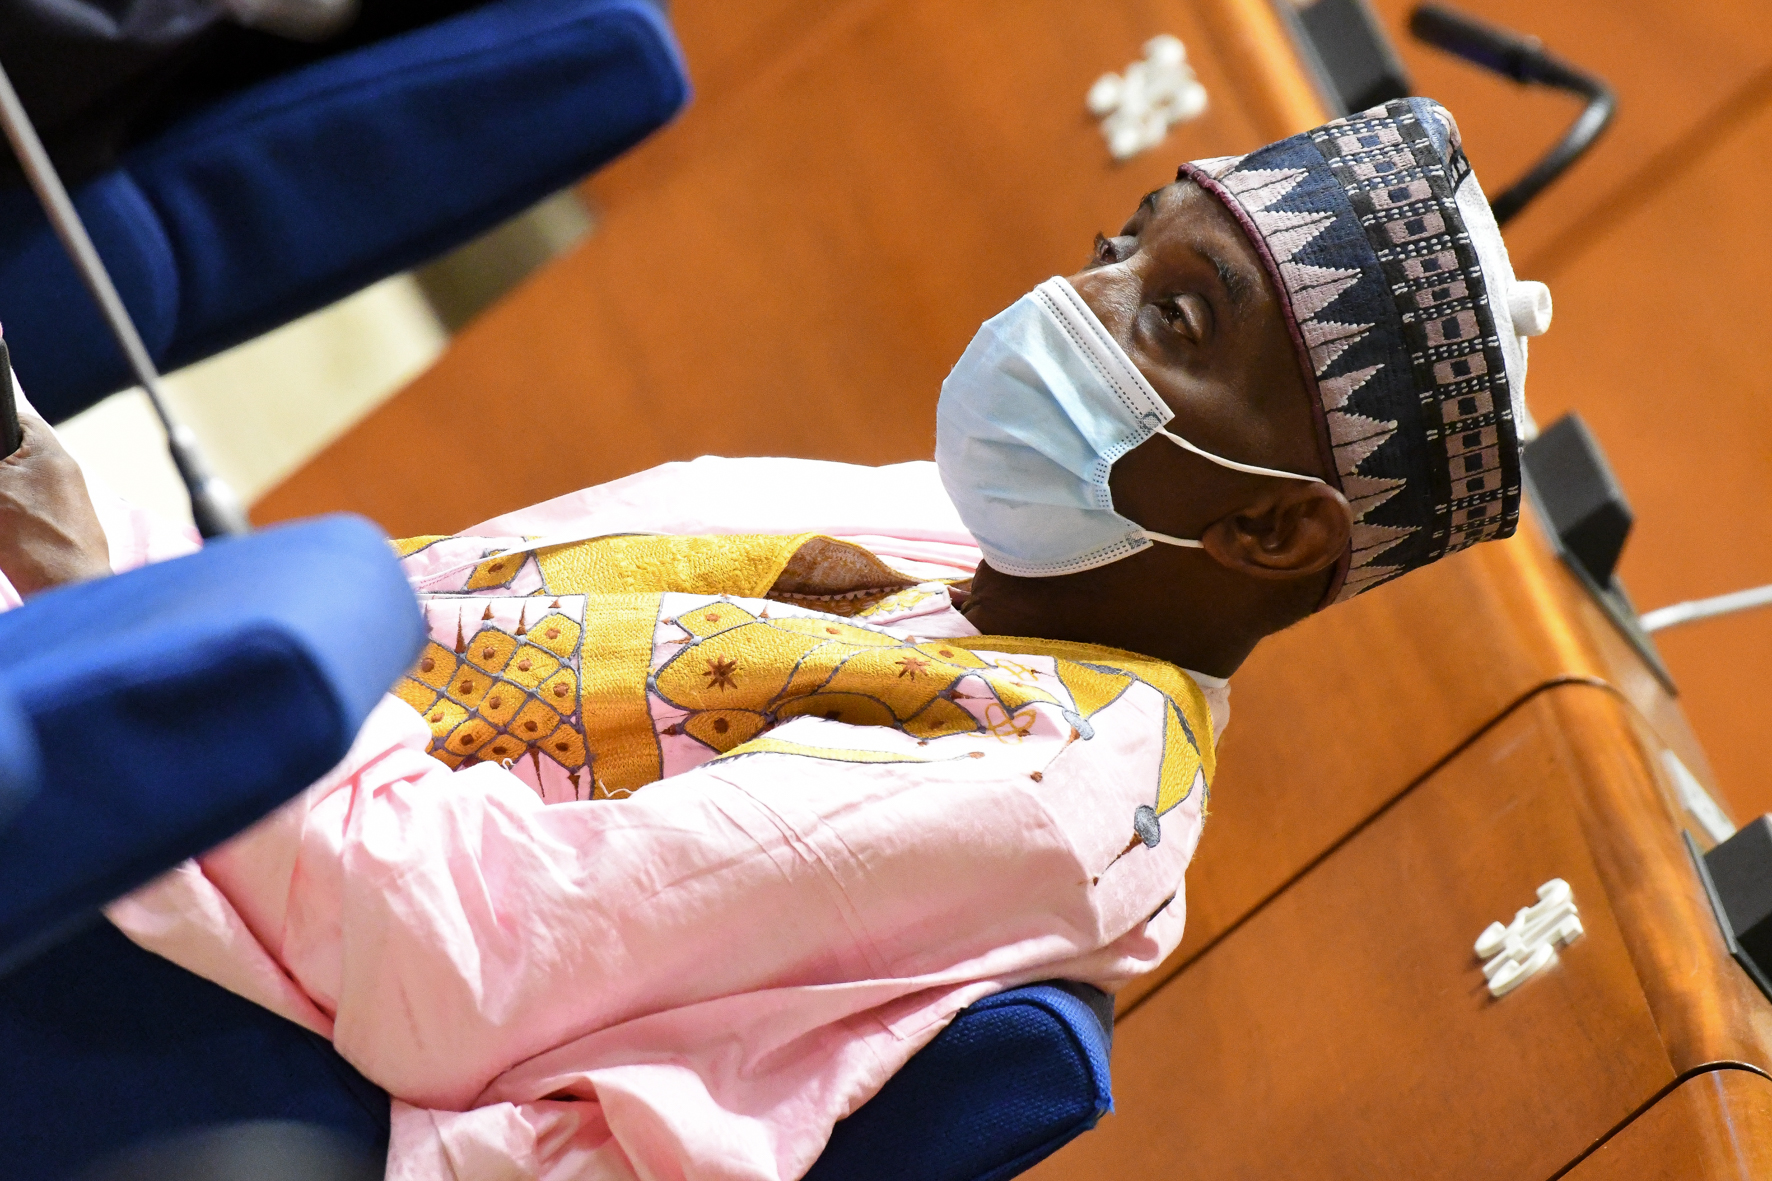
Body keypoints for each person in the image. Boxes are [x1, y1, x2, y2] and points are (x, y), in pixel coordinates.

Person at [0, 98, 1551, 1180]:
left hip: (254, 1045)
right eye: (1119, 245)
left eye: (1172, 318)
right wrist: (106, 551)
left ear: (1271, 532)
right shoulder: (970, 538)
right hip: (261, 852)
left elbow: (448, 954)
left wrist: (118, 605)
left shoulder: (1038, 798)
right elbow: (438, 606)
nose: (1078, 299)